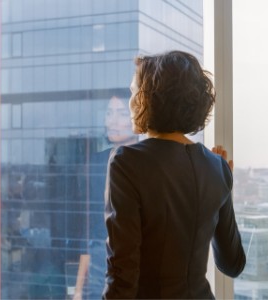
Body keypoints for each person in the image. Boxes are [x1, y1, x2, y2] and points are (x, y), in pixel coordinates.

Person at [103, 50, 246, 299]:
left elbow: (122, 274)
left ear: (150, 99)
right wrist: (222, 183)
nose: (130, 102)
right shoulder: (217, 167)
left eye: (133, 92)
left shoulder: (127, 162)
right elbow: (232, 263)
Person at [73, 96, 138, 300]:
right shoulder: (96, 164)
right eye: (109, 113)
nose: (112, 121)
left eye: (121, 114)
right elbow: (92, 232)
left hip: (139, 272)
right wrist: (77, 290)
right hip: (101, 272)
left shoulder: (148, 163)